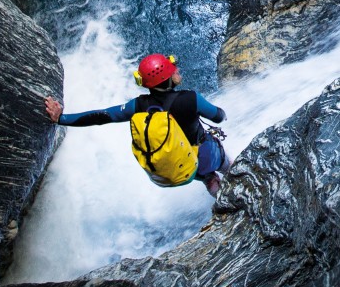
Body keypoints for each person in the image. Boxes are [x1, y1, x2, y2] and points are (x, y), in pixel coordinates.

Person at [43, 53, 232, 196]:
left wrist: (61, 118)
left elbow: (102, 116)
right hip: (206, 154)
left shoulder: (139, 106)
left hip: (182, 165)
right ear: (167, 78)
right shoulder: (191, 99)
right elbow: (218, 117)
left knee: (206, 175)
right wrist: (221, 113)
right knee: (226, 163)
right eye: (173, 69)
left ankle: (213, 185)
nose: (177, 70)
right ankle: (233, 179)